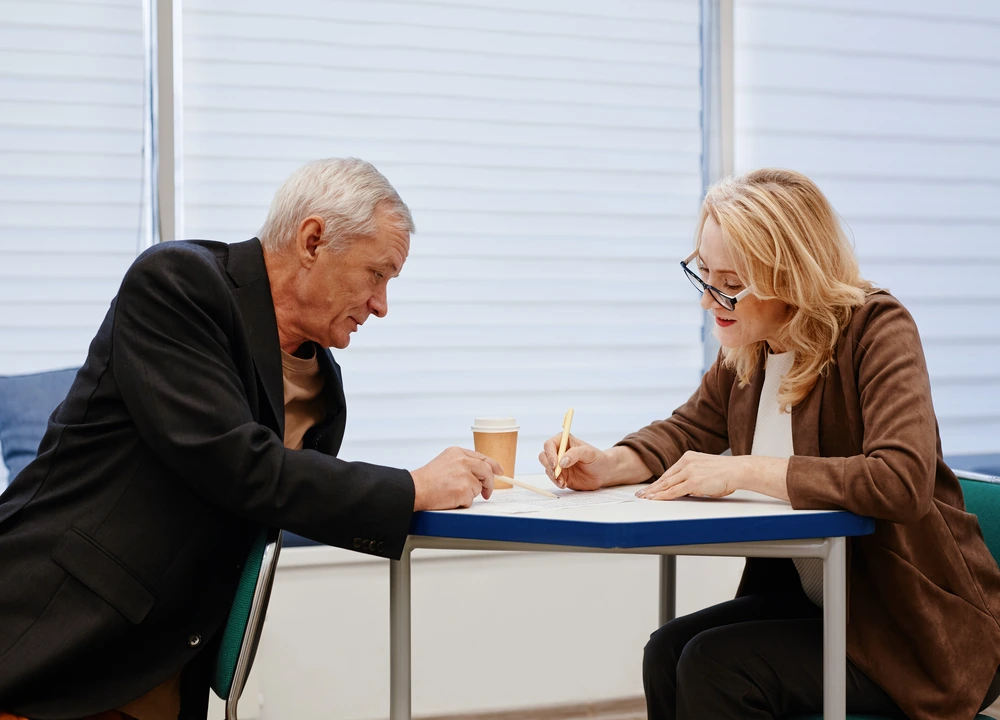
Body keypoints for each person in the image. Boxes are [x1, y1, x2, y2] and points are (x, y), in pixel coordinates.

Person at [0, 158, 502, 720]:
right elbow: (236, 465)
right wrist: (410, 487)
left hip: (162, 662)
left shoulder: (322, 383)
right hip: (55, 637)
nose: (382, 305)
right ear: (313, 240)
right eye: (377, 275)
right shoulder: (178, 283)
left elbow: (284, 500)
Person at [540, 169, 1000, 720]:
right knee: (666, 652)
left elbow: (899, 480)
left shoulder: (876, 327)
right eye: (705, 274)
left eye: (733, 282)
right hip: (821, 607)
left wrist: (747, 471)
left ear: (792, 275)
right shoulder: (751, 346)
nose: (713, 300)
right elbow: (687, 431)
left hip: (910, 632)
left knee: (716, 666)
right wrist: (612, 463)